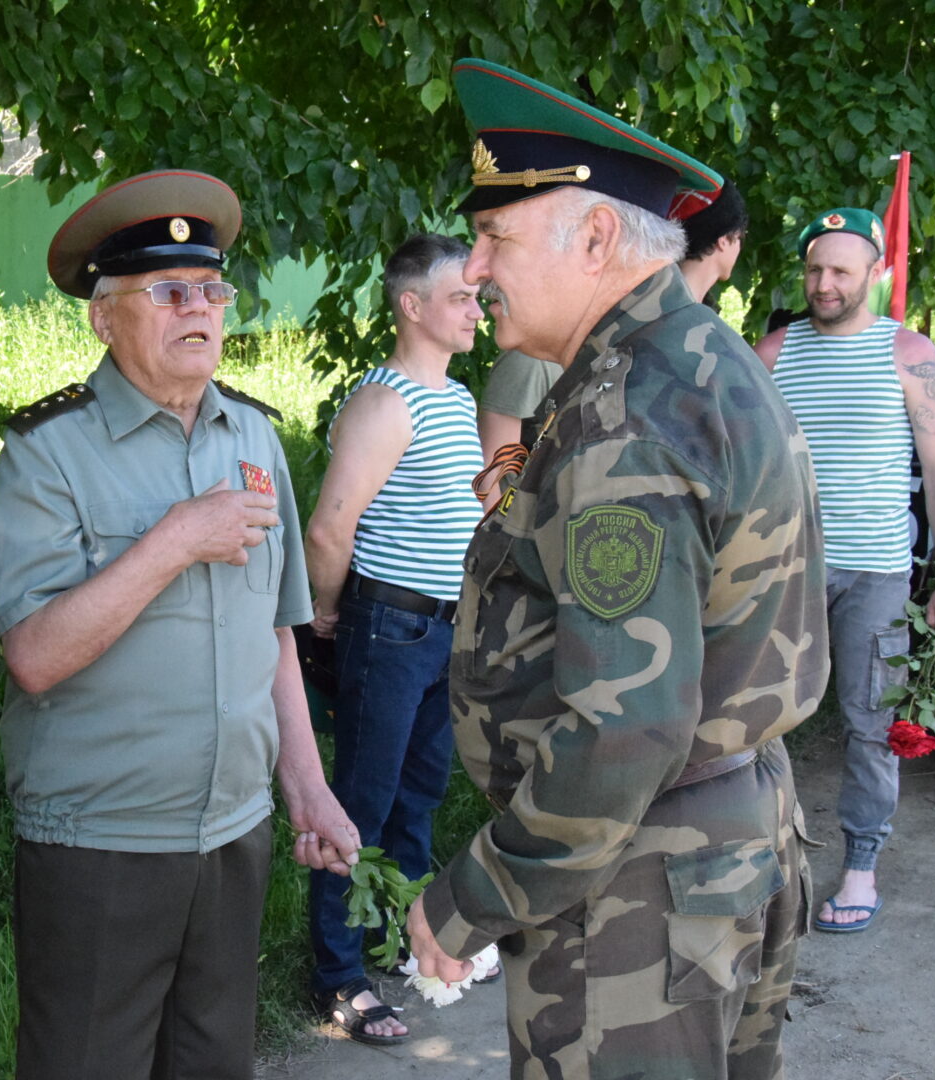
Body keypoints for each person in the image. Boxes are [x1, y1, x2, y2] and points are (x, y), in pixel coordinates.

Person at [404, 59, 829, 1079]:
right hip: (723, 842)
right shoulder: (698, 360)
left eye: (495, 236)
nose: (471, 268)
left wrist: (470, 896)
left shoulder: (624, 412)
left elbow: (622, 728)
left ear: (594, 237)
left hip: (638, 881)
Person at [0, 169, 359, 1080]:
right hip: (102, 844)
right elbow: (34, 656)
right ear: (103, 317)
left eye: (212, 290)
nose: (200, 309)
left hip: (234, 836)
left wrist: (305, 787)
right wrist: (174, 540)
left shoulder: (253, 439)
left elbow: (278, 631)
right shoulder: (48, 455)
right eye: (168, 292)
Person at [755, 207, 935, 933]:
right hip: (786, 568)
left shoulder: (908, 356)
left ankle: (860, 865)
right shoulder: (776, 353)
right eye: (815, 269)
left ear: (873, 275)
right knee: (756, 715)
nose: (824, 283)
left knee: (871, 724)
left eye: (841, 271)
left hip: (876, 574)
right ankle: (762, 854)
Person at [302, 234, 491, 1044]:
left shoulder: (451, 397)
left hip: (440, 632)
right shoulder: (387, 403)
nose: (476, 310)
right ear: (412, 306)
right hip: (387, 624)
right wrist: (327, 614)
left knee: (417, 801)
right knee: (359, 809)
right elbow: (329, 526)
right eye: (461, 298)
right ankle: (338, 978)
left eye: (477, 298)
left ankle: (393, 938)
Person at [475, 348, 562, 499]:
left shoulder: (605, 359)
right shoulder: (530, 360)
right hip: (518, 517)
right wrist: (489, 522)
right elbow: (488, 475)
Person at [675, 178, 748, 304]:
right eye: (740, 237)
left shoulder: (646, 297)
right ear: (723, 240)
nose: (739, 248)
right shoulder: (689, 314)